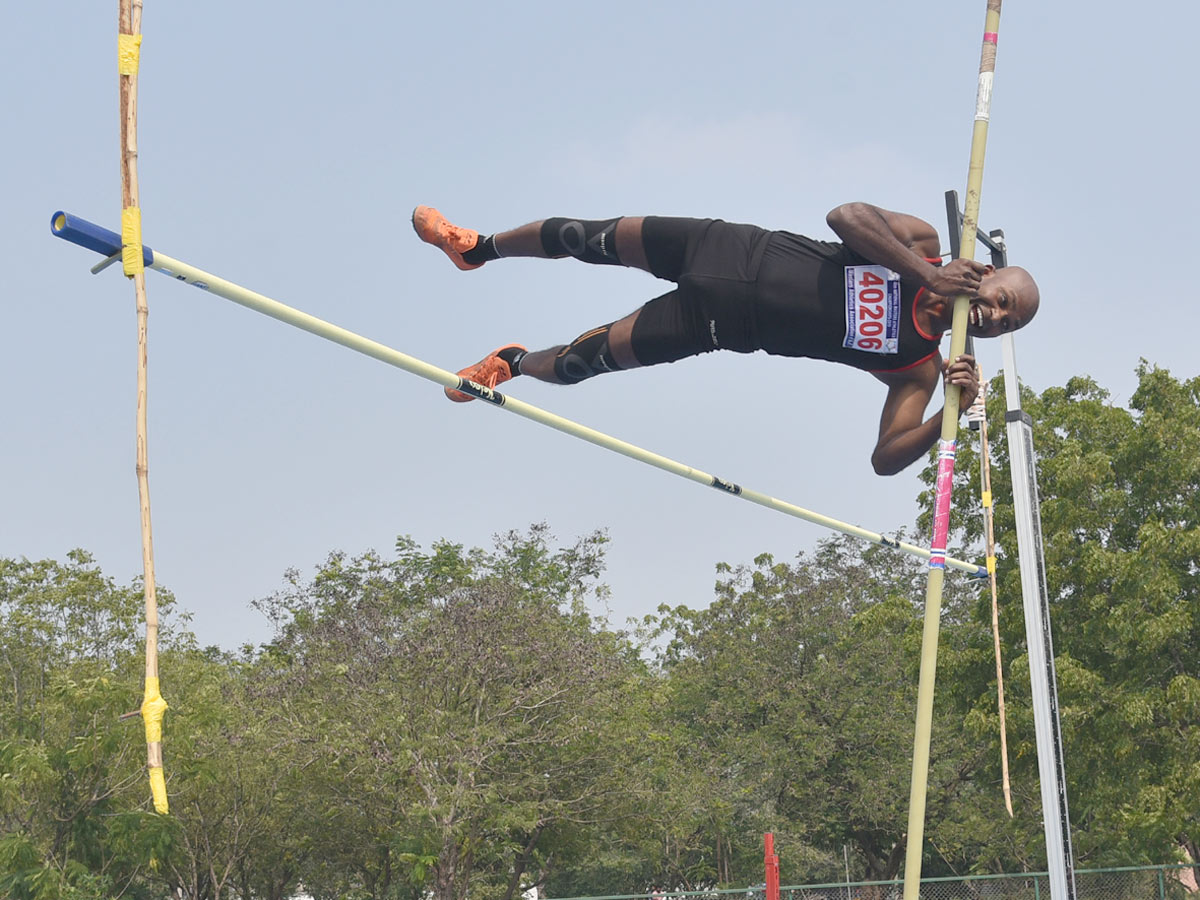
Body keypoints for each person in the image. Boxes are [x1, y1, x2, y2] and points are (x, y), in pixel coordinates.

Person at [411, 204, 1039, 475]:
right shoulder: (924, 245)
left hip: (719, 324)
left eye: (1007, 324)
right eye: (1003, 302)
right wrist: (926, 273)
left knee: (582, 363)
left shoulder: (921, 365)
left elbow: (884, 458)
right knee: (584, 237)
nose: (996, 318)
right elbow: (844, 217)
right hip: (728, 246)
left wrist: (946, 418)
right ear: (985, 277)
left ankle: (513, 364)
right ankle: (478, 249)